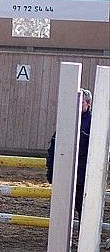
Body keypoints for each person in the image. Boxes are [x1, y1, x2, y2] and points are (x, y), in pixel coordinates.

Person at [46, 88, 92, 217]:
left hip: (82, 178)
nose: (78, 106)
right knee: (62, 212)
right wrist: (51, 170)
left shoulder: (93, 125)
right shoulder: (66, 122)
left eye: (81, 102)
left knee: (83, 212)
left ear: (88, 104)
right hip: (65, 175)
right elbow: (54, 147)